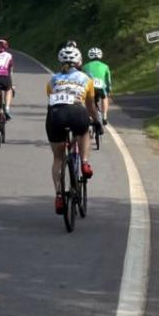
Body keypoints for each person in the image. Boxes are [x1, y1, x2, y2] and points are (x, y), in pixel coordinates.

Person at [45, 46, 98, 214]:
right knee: (83, 133)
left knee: (58, 158)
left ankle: (59, 195)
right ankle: (84, 163)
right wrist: (97, 122)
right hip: (77, 112)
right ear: (79, 62)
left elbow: (52, 99)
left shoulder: (53, 79)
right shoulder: (86, 79)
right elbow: (90, 106)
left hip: (56, 115)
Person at [82, 47, 112, 128]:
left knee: (87, 101)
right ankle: (105, 116)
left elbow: (82, 79)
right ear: (100, 56)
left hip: (89, 88)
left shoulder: (85, 66)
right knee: (104, 97)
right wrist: (109, 90)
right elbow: (108, 81)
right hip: (100, 88)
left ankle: (89, 116)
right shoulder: (105, 66)